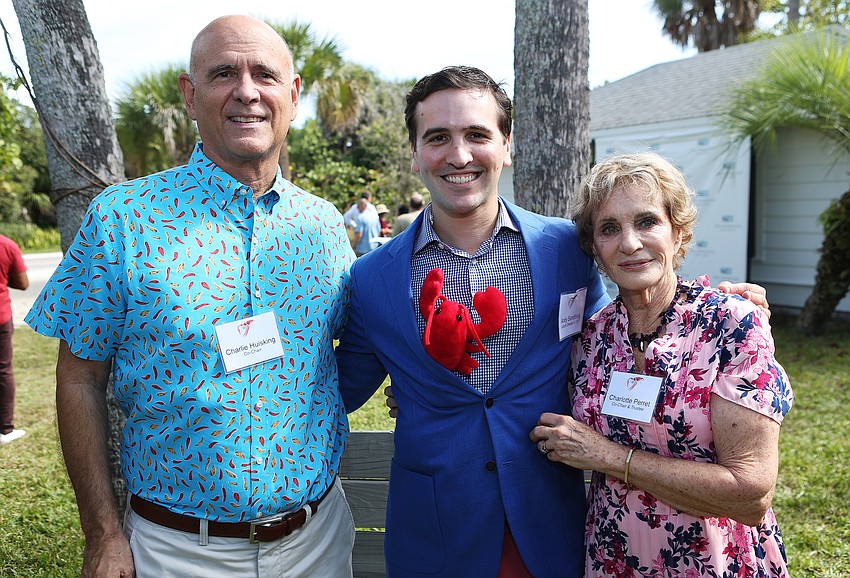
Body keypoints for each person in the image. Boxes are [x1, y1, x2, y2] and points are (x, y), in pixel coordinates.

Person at [336, 66, 770, 577]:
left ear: (506, 145)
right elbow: (334, 391)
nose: (459, 155)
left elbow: (622, 323)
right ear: (414, 154)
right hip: (437, 531)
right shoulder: (369, 278)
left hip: (553, 523)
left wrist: (723, 312)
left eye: (477, 134)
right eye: (437, 138)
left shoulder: (565, 247)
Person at [25, 15, 355, 578]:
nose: (247, 91)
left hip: (316, 541)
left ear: (293, 96)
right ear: (190, 94)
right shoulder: (124, 219)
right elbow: (79, 380)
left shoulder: (323, 225)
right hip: (177, 552)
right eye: (224, 73)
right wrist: (102, 533)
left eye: (265, 75)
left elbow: (359, 346)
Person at [530, 152, 792, 577]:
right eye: (609, 228)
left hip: (714, 562)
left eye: (647, 221)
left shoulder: (730, 326)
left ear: (678, 232)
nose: (629, 243)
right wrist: (423, 387)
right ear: (594, 248)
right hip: (616, 560)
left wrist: (610, 457)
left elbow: (750, 494)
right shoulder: (591, 338)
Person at [0, 234, 28, 445]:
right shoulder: (6, 245)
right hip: (1, 317)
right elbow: (23, 283)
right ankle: (6, 429)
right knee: (3, 370)